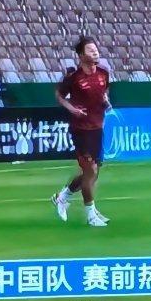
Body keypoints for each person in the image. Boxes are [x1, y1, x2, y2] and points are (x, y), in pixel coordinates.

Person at [51, 37, 112, 227]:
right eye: (90, 50)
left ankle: (62, 197)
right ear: (81, 55)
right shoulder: (74, 77)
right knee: (90, 170)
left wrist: (106, 100)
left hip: (97, 127)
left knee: (93, 173)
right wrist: (72, 109)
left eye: (96, 49)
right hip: (81, 129)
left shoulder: (103, 73)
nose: (95, 52)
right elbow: (59, 95)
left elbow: (104, 91)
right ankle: (90, 215)